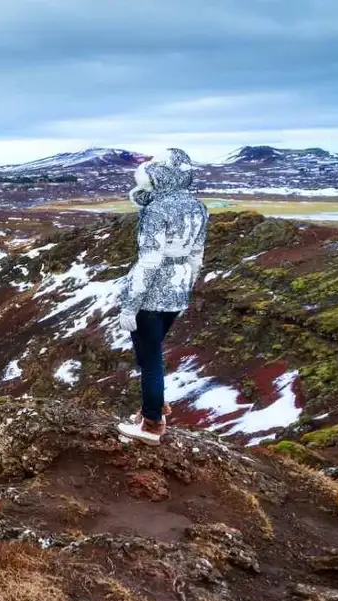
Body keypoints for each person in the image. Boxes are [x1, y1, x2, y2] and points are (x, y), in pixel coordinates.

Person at [116, 148, 208, 445]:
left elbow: (149, 262)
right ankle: (156, 407)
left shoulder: (157, 211)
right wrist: (186, 286)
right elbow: (197, 255)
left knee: (150, 358)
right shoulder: (198, 207)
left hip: (152, 293)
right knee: (148, 351)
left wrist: (130, 305)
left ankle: (152, 424)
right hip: (178, 290)